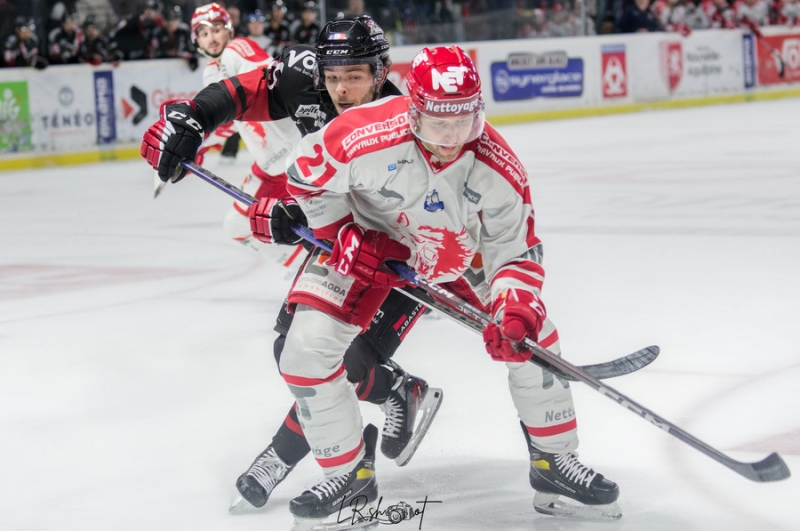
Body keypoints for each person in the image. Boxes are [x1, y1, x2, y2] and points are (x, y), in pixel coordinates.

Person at [141, 14, 443, 514]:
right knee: (291, 344)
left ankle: (287, 460)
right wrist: (194, 117)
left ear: (381, 69)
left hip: (401, 251)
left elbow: (418, 214)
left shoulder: (399, 120)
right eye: (334, 75)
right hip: (342, 243)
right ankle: (399, 392)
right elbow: (245, 90)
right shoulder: (306, 79)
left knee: (340, 358)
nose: (343, 89)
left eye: (357, 76)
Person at [190, 3, 302, 255]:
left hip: (296, 159)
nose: (212, 38)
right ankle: (295, 268)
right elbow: (228, 121)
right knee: (237, 224)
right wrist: (198, 144)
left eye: (216, 29)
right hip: (268, 168)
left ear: (228, 30)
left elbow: (265, 76)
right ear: (196, 39)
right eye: (204, 33)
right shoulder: (210, 71)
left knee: (297, 226)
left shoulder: (238, 47)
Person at [156, 5, 198, 70]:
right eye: (169, 20)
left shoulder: (184, 31)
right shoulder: (159, 32)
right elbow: (155, 53)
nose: (172, 23)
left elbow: (191, 49)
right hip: (161, 67)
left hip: (182, 69)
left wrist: (190, 57)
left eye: (175, 20)